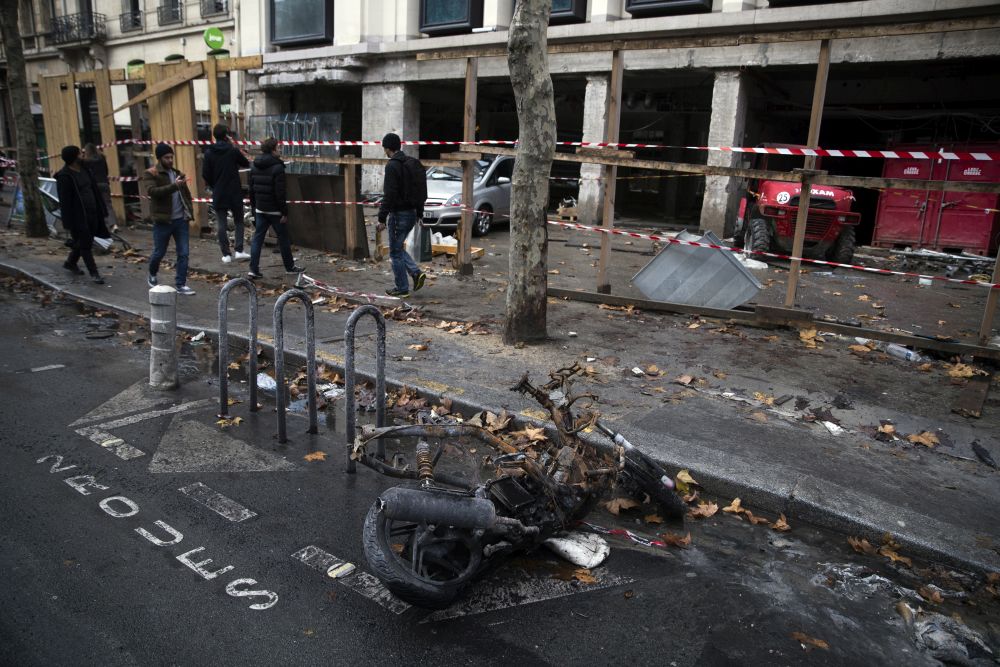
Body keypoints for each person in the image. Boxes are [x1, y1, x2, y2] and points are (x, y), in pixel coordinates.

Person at [377, 132, 427, 298]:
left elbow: (389, 194)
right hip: (412, 214)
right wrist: (419, 213)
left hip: (399, 215)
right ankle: (414, 274)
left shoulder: (392, 166)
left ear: (387, 148)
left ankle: (402, 287)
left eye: (384, 147)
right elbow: (421, 191)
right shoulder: (412, 163)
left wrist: (381, 218)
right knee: (397, 249)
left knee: (395, 252)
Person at [143, 142, 196, 295]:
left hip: (180, 220)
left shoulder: (177, 173)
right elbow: (152, 191)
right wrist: (174, 186)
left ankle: (180, 284)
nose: (170, 160)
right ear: (160, 158)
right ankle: (152, 274)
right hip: (163, 221)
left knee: (184, 253)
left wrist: (189, 211)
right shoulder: (152, 173)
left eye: (172, 157)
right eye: (167, 157)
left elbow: (185, 194)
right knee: (159, 252)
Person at [247, 137, 303, 279]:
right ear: (273, 150)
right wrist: (284, 211)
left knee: (257, 238)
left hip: (260, 209)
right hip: (275, 210)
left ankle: (253, 269)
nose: (280, 150)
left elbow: (251, 189)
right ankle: (289, 267)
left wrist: (254, 207)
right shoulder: (278, 167)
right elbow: (280, 193)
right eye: (278, 147)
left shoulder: (254, 165)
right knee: (283, 238)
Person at [55, 145, 108, 284]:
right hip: (78, 217)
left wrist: (101, 208)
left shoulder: (86, 170)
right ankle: (94, 273)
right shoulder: (65, 177)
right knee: (86, 245)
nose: (83, 155)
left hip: (93, 213)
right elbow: (65, 202)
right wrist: (67, 223)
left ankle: (70, 262)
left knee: (84, 241)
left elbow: (94, 190)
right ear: (73, 158)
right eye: (80, 153)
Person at [202, 123, 250, 264]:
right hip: (234, 191)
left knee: (221, 223)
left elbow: (205, 174)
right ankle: (239, 250)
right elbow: (245, 163)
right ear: (226, 135)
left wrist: (214, 185)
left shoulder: (209, 152)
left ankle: (226, 254)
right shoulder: (232, 150)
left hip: (219, 192)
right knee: (239, 221)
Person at [82, 143, 119, 230]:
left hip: (93, 185)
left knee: (95, 205)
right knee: (108, 205)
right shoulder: (102, 158)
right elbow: (106, 171)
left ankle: (99, 225)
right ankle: (113, 224)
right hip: (104, 183)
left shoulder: (86, 161)